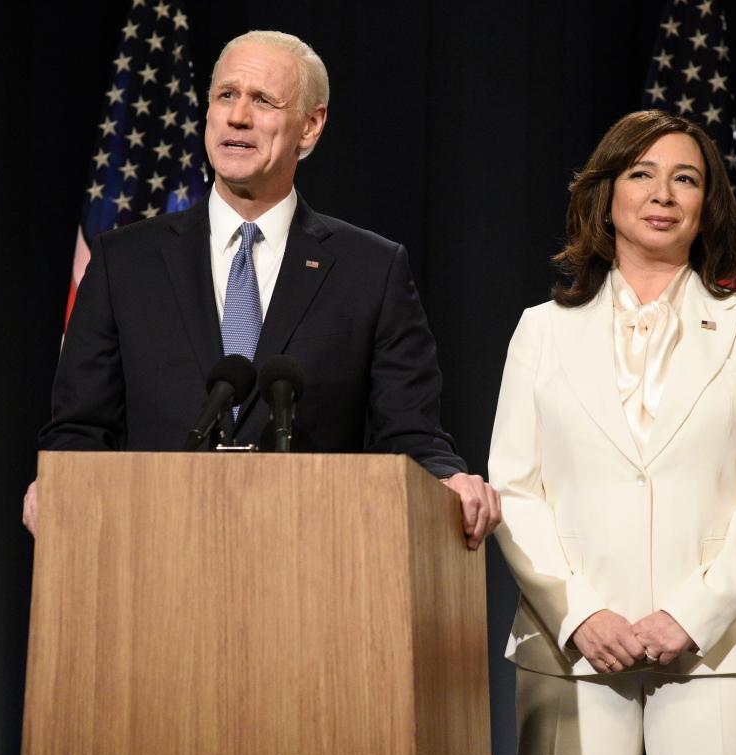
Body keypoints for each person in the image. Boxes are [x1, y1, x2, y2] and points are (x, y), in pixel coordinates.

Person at [489, 109, 736, 755]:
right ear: (605, 194)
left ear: (708, 204)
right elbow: (513, 488)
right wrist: (581, 611)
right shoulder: (541, 331)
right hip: (574, 647)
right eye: (641, 174)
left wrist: (691, 614)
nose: (662, 194)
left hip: (719, 649)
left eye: (686, 178)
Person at [24, 30, 499, 547]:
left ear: (310, 127)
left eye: (263, 101)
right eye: (226, 95)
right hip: (152, 555)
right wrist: (58, 484)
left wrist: (449, 478)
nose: (238, 116)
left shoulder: (371, 270)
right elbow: (81, 429)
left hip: (310, 563)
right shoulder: (124, 262)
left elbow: (409, 433)